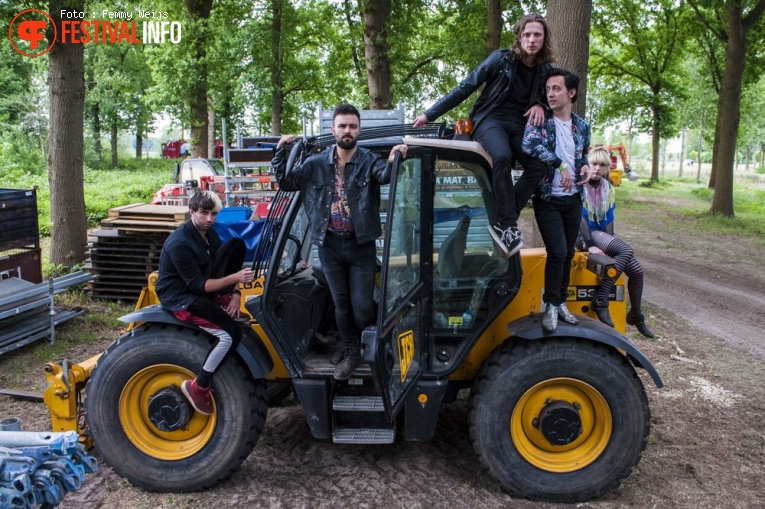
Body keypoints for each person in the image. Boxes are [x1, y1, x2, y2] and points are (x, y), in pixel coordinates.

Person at [272, 104, 408, 380]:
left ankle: (367, 345)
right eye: (343, 126)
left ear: (359, 130)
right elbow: (286, 182)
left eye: (353, 126)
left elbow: (385, 175)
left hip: (361, 246)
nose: (348, 131)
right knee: (340, 303)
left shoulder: (369, 160)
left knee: (361, 307)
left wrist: (394, 159)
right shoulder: (315, 164)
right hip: (329, 244)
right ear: (333, 129)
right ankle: (351, 350)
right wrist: (281, 150)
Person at [412, 13, 554, 258]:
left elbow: (556, 99)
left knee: (540, 163)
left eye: (537, 35)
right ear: (519, 37)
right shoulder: (501, 59)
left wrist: (542, 105)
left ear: (544, 39)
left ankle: (504, 220)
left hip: (520, 126)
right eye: (527, 34)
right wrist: (429, 114)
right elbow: (466, 87)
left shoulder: (546, 71)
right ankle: (508, 224)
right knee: (501, 157)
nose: (531, 39)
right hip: (491, 119)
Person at [155, 190, 255, 414]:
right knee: (231, 334)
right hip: (183, 298)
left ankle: (224, 298)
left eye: (213, 213)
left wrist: (236, 293)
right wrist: (235, 278)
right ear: (192, 212)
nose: (209, 219)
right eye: (204, 213)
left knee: (236, 245)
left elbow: (224, 262)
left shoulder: (209, 234)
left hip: (203, 289)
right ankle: (199, 386)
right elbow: (199, 286)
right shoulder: (179, 244)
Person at [522, 68, 590, 332]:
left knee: (569, 252)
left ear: (571, 93)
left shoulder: (582, 125)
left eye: (556, 89)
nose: (550, 94)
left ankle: (561, 303)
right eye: (548, 89)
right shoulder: (540, 120)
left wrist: (583, 167)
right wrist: (560, 164)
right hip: (548, 198)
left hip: (573, 198)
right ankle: (550, 305)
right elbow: (529, 146)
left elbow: (582, 156)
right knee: (558, 251)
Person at [580, 147, 655, 338]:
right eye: (594, 164)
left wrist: (609, 245)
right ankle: (601, 299)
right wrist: (590, 244)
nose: (597, 168)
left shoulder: (608, 188)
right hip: (583, 236)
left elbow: (609, 219)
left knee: (637, 272)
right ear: (588, 164)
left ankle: (636, 314)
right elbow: (579, 218)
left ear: (607, 168)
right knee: (626, 250)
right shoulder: (581, 184)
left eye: (602, 165)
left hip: (601, 235)